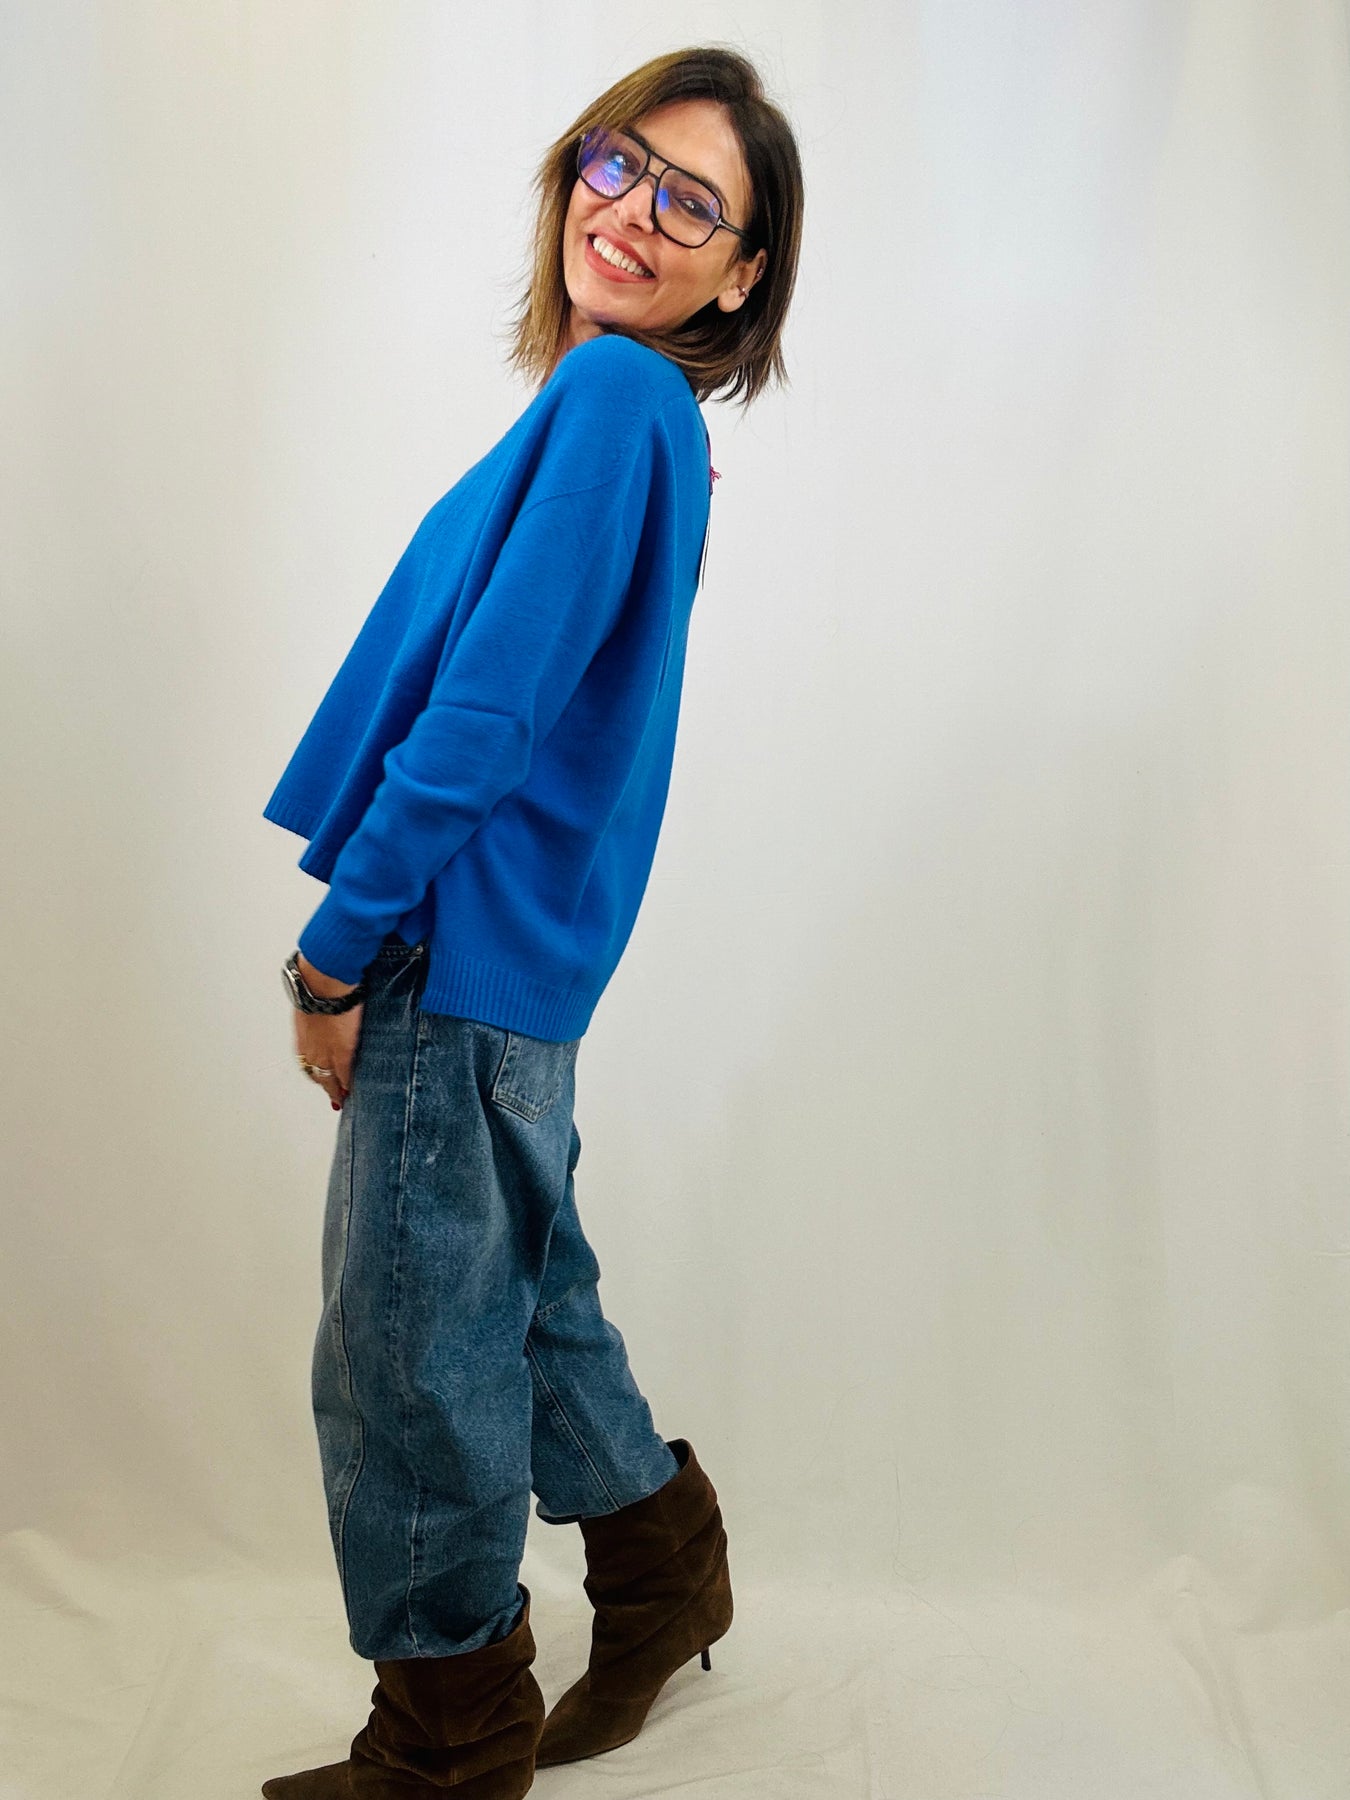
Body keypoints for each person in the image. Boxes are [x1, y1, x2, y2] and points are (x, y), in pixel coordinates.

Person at [260, 44, 803, 1800]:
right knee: (522, 1300)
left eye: (691, 203)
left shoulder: (613, 401)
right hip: (520, 961)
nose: (630, 210)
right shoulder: (628, 417)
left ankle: (447, 1741)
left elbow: (485, 719)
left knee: (407, 1365)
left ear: (741, 276)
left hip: (450, 945)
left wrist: (336, 948)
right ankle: (662, 1575)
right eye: (615, 162)